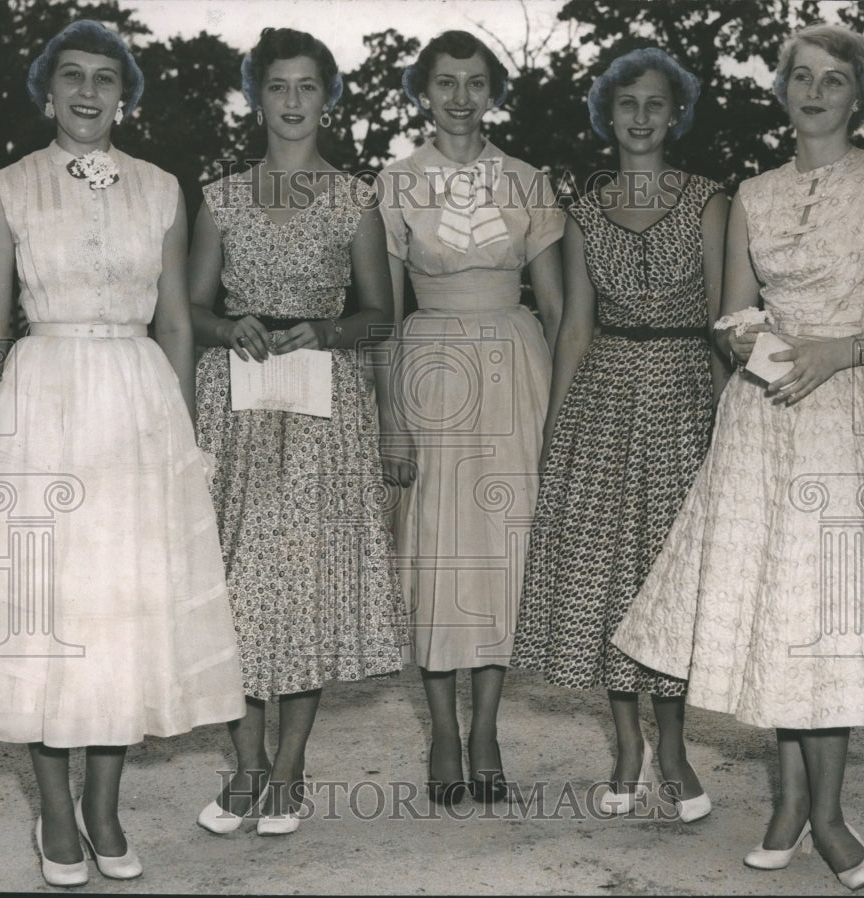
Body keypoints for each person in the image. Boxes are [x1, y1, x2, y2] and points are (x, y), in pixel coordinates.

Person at [613, 23, 864, 890]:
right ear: (783, 89)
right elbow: (732, 317)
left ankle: (825, 815)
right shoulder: (750, 193)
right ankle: (790, 808)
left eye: (835, 79)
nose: (817, 91)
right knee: (777, 617)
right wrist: (767, 351)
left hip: (846, 416)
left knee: (828, 617)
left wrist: (840, 353)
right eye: (803, 76)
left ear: (858, 94)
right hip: (759, 418)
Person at [0, 19, 245, 887]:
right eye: (71, 75)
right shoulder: (9, 189)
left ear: (125, 97)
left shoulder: (162, 189)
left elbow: (179, 322)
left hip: (138, 408)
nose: (87, 91)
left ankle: (105, 810)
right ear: (47, 91)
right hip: (45, 405)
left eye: (106, 79)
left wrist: (182, 441)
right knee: (49, 609)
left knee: (123, 612)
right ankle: (55, 812)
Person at [189, 27, 406, 837]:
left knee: (303, 586)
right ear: (256, 96)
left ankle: (289, 768)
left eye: (306, 87)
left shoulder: (356, 199)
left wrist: (328, 328)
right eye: (276, 86)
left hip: (322, 403)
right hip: (235, 402)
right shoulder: (219, 195)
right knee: (236, 587)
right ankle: (245, 766)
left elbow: (381, 312)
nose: (290, 102)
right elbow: (190, 310)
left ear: (328, 96)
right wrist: (227, 324)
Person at [511, 46, 728, 823]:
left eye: (655, 104)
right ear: (609, 115)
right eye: (626, 103)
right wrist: (554, 431)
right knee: (610, 581)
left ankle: (672, 748)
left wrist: (727, 430)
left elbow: (724, 326)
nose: (640, 117)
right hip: (603, 399)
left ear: (676, 115)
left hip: (680, 397)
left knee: (667, 577)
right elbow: (572, 325)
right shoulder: (583, 208)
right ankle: (628, 747)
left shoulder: (709, 201)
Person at [376, 30, 565, 805]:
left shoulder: (527, 181)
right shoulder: (393, 183)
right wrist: (391, 415)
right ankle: (444, 732)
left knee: (501, 549)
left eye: (476, 83)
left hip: (516, 367)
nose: (461, 98)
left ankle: (486, 725)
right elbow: (383, 314)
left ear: (493, 93)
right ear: (424, 92)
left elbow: (554, 305)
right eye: (446, 83)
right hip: (430, 370)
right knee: (437, 551)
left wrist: (564, 409)